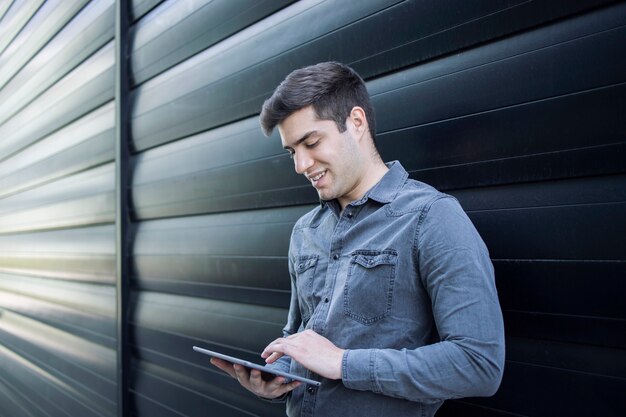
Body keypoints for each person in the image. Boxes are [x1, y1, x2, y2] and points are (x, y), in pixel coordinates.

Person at [211, 61, 505, 416]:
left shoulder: (432, 217)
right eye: (292, 151)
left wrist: (343, 363)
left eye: (311, 142)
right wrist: (277, 378)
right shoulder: (305, 231)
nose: (301, 165)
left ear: (356, 122)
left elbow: (479, 364)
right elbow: (299, 339)